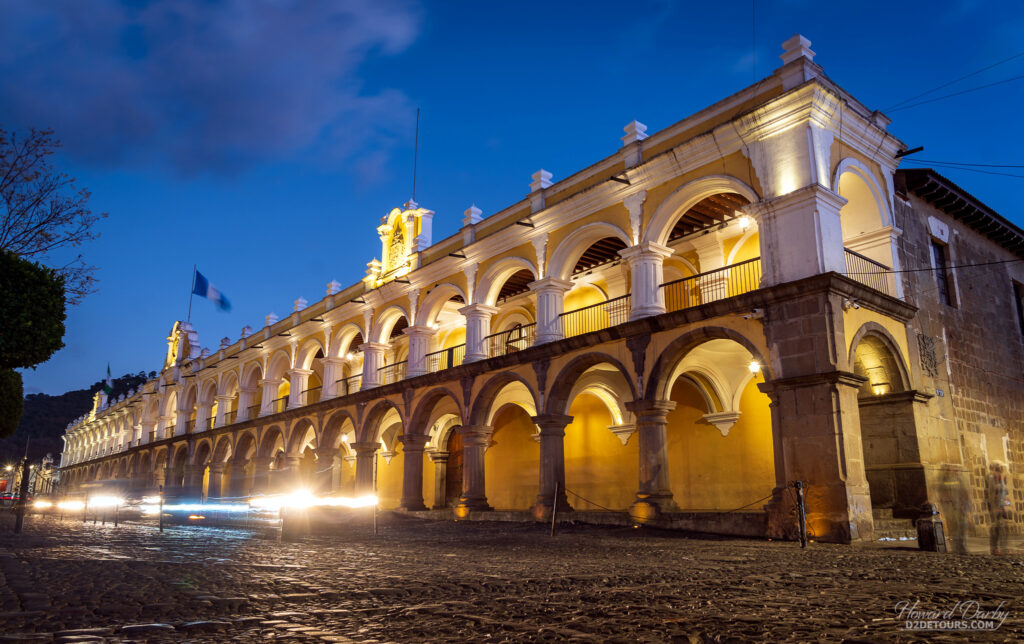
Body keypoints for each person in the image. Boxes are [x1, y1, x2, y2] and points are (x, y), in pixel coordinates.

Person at [986, 461, 1011, 555]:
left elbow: (1006, 493)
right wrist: (994, 508)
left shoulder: (1001, 479)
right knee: (995, 528)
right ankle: (994, 548)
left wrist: (1007, 504)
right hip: (995, 506)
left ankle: (1004, 547)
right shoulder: (991, 478)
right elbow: (991, 494)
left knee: (1004, 526)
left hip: (1002, 506)